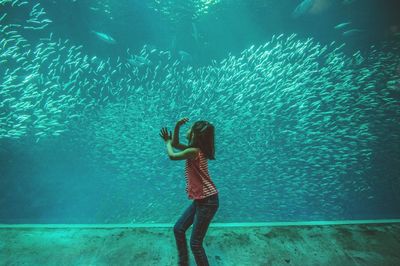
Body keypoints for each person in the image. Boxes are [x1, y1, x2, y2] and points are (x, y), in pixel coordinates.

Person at [159, 117, 219, 266]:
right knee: (179, 229)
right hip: (202, 200)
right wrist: (177, 126)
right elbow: (176, 144)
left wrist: (166, 142)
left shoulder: (193, 151)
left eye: (189, 128)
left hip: (208, 201)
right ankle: (183, 263)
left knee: (195, 243)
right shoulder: (195, 151)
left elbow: (172, 154)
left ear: (195, 135)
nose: (187, 130)